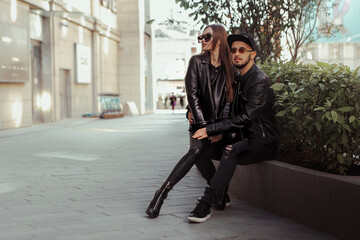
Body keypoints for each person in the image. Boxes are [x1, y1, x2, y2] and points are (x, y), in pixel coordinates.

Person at [188, 33, 279, 223]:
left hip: (261, 140)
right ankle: (220, 195)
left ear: (252, 55)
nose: (236, 54)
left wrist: (212, 129)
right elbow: (212, 99)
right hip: (240, 136)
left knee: (231, 150)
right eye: (233, 50)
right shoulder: (236, 79)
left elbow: (246, 117)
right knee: (199, 151)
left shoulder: (259, 80)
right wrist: (190, 111)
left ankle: (206, 203)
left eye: (242, 50)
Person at [146, 24, 234, 218]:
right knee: (196, 150)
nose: (202, 40)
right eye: (201, 37)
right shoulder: (196, 62)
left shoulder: (230, 68)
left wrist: (217, 129)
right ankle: (161, 194)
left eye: (207, 36)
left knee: (201, 154)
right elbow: (193, 96)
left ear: (219, 38)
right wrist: (204, 128)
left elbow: (229, 101)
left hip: (221, 127)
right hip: (200, 123)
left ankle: (219, 193)